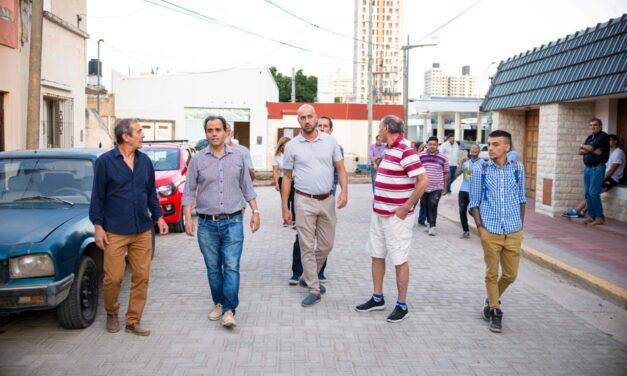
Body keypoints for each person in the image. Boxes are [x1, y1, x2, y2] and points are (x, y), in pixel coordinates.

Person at [90, 118, 169, 336]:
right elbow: (97, 197)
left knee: (141, 277)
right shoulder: (105, 162)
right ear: (125, 136)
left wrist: (159, 217)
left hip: (142, 230)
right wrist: (98, 226)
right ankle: (112, 312)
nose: (143, 135)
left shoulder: (145, 161)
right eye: (139, 131)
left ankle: (133, 320)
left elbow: (150, 193)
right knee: (113, 278)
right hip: (114, 230)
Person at [182, 115, 260, 328]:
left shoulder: (238, 157)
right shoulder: (197, 160)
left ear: (226, 132)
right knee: (213, 268)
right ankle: (218, 302)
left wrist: (255, 211)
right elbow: (188, 190)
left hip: (233, 221)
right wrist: (188, 218)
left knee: (232, 266)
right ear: (206, 133)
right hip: (206, 224)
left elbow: (247, 187)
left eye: (218, 129)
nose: (214, 133)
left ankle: (228, 310)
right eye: (210, 130)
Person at [355, 115, 428, 323]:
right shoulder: (389, 148)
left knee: (399, 260)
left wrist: (407, 206)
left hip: (396, 217)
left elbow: (423, 180)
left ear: (387, 127)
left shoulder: (406, 149)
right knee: (376, 255)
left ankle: (401, 305)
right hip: (379, 213)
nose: (378, 129)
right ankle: (377, 298)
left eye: (379, 126)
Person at [281, 104, 347, 307]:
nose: (307, 121)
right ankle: (314, 288)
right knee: (306, 246)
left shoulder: (330, 141)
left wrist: (344, 191)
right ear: (298, 120)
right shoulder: (292, 145)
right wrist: (284, 207)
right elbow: (287, 177)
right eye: (302, 118)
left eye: (310, 117)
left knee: (326, 245)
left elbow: (341, 169)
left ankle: (307, 276)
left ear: (316, 118)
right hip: (303, 201)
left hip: (327, 200)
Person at [469, 130, 526, 333]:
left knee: (510, 275)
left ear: (507, 147)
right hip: (490, 230)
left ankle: (491, 298)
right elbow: (474, 202)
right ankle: (495, 310)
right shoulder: (480, 169)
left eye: (495, 144)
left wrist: (520, 225)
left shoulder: (518, 168)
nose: (490, 148)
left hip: (513, 230)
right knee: (491, 274)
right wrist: (481, 229)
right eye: (489, 144)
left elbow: (521, 199)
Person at [563, 134, 625, 219]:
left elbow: (611, 171)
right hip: (602, 175)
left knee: (593, 193)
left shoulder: (619, 153)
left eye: (610, 140)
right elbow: (581, 151)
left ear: (615, 141)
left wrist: (599, 178)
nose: (608, 142)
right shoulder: (609, 152)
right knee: (591, 193)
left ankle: (577, 211)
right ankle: (581, 211)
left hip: (612, 178)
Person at [578, 118, 610, 226]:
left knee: (593, 192)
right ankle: (591, 216)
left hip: (598, 168)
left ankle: (599, 217)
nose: (593, 127)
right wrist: (588, 149)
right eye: (591, 125)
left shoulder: (603, 136)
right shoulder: (589, 137)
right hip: (588, 168)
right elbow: (580, 151)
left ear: (600, 126)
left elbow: (590, 148)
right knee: (587, 193)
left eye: (595, 125)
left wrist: (587, 148)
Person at [418, 136, 449, 236]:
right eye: (430, 144)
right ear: (427, 145)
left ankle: (432, 226)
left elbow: (446, 173)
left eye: (434, 144)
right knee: (425, 205)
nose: (432, 146)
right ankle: (429, 222)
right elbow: (417, 171)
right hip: (423, 186)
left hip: (437, 186)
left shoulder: (443, 158)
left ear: (437, 145)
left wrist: (445, 187)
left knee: (433, 204)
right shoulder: (420, 156)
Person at [456, 144, 482, 239]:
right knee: (462, 211)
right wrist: (461, 163)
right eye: (472, 149)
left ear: (479, 151)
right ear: (469, 151)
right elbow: (457, 173)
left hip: (475, 191)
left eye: (476, 149)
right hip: (463, 190)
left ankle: (481, 231)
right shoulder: (466, 163)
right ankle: (465, 231)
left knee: (475, 212)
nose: (473, 150)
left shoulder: (483, 163)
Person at [273, 136, 292, 227]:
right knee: (285, 200)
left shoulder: (293, 155)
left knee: (295, 200)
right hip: (282, 179)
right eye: (286, 145)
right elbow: (275, 171)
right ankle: (285, 218)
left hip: (294, 180)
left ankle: (294, 219)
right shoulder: (277, 157)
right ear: (282, 146)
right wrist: (276, 183)